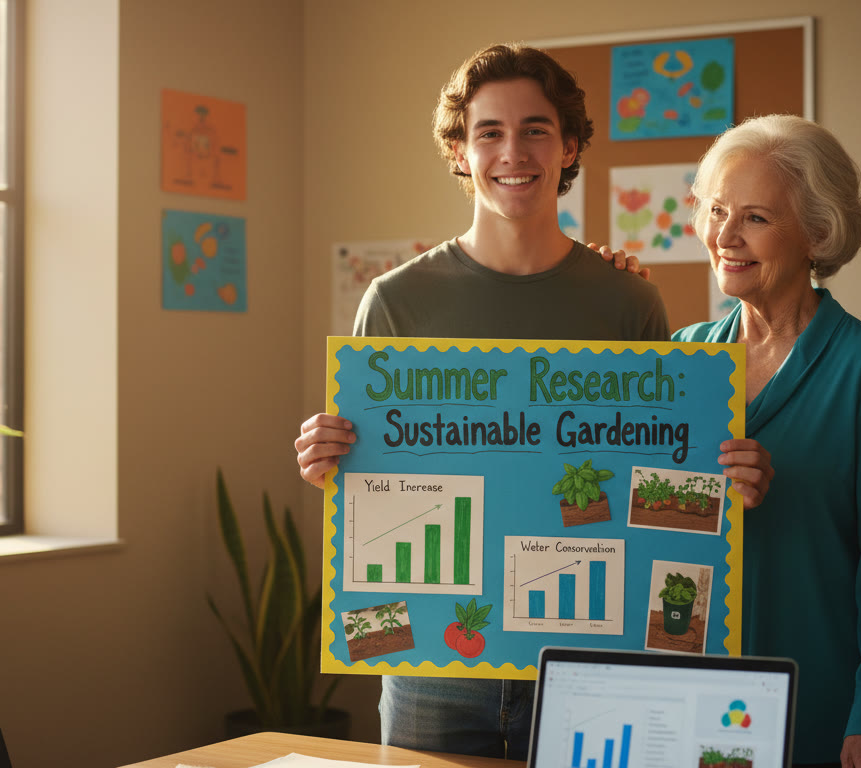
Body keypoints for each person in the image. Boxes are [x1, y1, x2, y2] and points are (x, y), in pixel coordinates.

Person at [294, 44, 774, 760]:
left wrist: (728, 479)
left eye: (536, 129)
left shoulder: (629, 300)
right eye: (488, 131)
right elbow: (370, 489)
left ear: (571, 144)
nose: (512, 151)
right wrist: (327, 459)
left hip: (594, 660)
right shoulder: (394, 302)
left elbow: (659, 472)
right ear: (459, 151)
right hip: (434, 674)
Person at [602, 114, 861, 768]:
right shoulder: (682, 358)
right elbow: (629, 523)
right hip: (681, 702)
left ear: (817, 231)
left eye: (754, 217)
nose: (725, 236)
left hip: (819, 707)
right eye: (717, 210)